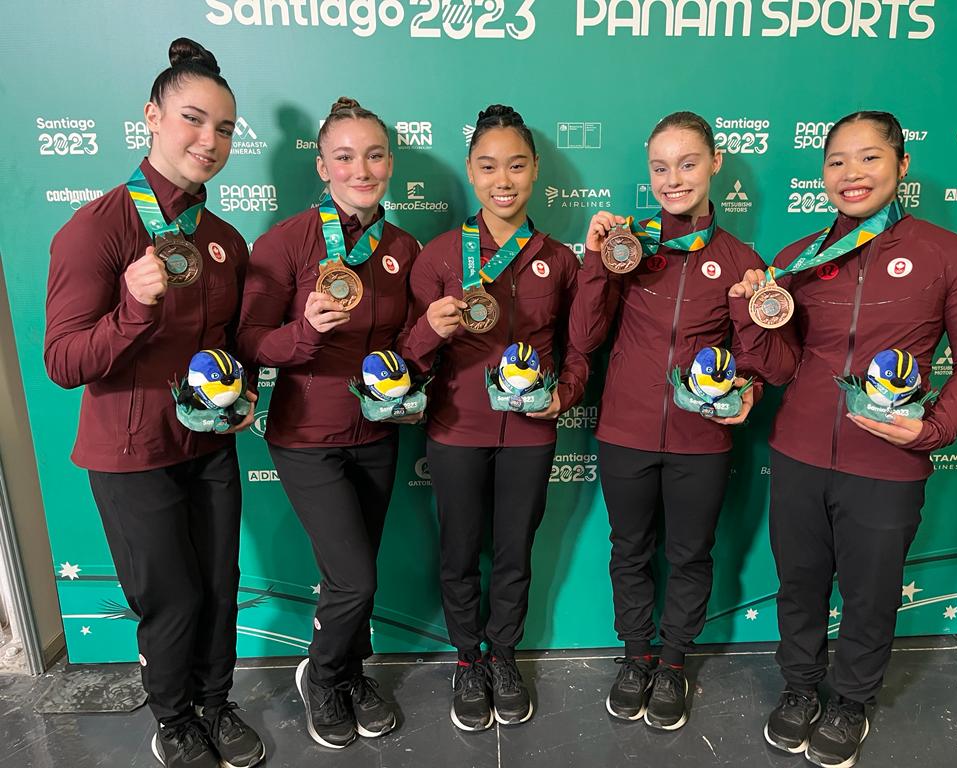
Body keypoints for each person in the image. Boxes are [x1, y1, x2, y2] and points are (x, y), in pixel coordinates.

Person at [728, 111, 957, 768]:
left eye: (870, 158)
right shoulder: (797, 258)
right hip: (797, 454)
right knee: (798, 583)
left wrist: (933, 429)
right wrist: (749, 311)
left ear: (902, 165)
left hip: (888, 461)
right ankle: (799, 689)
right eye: (837, 161)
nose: (852, 174)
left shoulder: (950, 256)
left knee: (871, 591)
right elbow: (782, 366)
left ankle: (850, 700)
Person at [43, 38, 264, 768]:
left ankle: (215, 703)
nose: (210, 141)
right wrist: (134, 307)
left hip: (210, 446)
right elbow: (63, 361)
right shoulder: (98, 227)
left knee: (219, 587)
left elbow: (232, 345)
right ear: (152, 117)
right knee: (170, 598)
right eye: (194, 120)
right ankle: (173, 720)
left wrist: (244, 395)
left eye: (225, 129)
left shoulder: (225, 241)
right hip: (131, 454)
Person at [570, 111, 791, 730]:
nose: (674, 180)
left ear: (715, 163)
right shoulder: (628, 247)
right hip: (626, 430)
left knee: (691, 554)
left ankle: (672, 662)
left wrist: (744, 381)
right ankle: (635, 655)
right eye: (661, 167)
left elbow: (758, 360)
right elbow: (585, 335)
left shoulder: (742, 259)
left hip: (702, 437)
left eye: (688, 163)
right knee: (630, 550)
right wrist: (594, 262)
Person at [236, 97, 420, 749]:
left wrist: (426, 343)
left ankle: (347, 672)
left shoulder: (402, 246)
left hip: (378, 428)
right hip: (307, 435)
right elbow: (252, 340)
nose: (360, 168)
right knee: (354, 577)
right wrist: (307, 333)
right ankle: (320, 675)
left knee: (359, 567)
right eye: (345, 156)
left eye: (373, 155)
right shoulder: (286, 241)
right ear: (323, 165)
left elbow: (406, 339)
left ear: (389, 162)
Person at [399, 105, 588, 731]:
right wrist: (429, 331)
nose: (502, 178)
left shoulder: (559, 260)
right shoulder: (440, 255)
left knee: (514, 551)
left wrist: (567, 391)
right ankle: (465, 659)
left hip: (531, 430)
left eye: (515, 165)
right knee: (458, 551)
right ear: (470, 173)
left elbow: (578, 344)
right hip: (456, 428)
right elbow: (402, 360)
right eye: (487, 166)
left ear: (534, 171)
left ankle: (502, 654)